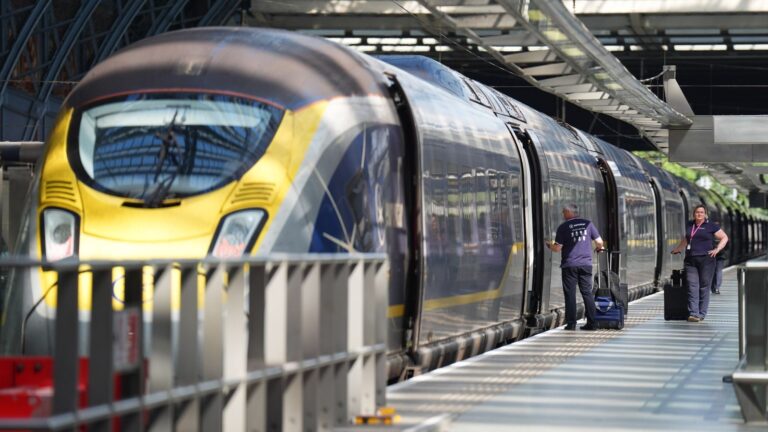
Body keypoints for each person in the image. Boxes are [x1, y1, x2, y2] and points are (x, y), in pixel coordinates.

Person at [546, 204, 604, 331]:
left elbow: (557, 248)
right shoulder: (588, 224)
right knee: (587, 293)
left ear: (568, 212)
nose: (562, 214)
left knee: (570, 295)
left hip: (569, 266)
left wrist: (548, 245)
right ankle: (592, 323)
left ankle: (571, 324)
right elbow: (600, 242)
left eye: (563, 212)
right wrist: (599, 249)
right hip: (586, 265)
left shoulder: (563, 227)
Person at [671, 205, 728, 322]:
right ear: (694, 214)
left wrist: (717, 249)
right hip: (690, 260)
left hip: (707, 260)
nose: (699, 214)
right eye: (697, 212)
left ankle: (701, 313)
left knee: (704, 287)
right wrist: (678, 249)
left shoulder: (711, 225)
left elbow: (724, 237)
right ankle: (693, 313)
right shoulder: (690, 225)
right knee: (692, 286)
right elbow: (687, 239)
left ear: (705, 214)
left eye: (702, 212)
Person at [710, 220, 728, 295]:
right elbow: (727, 245)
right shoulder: (722, 234)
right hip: (720, 255)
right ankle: (716, 287)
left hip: (711, 255)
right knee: (718, 271)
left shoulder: (709, 234)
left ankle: (713, 287)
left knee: (712, 272)